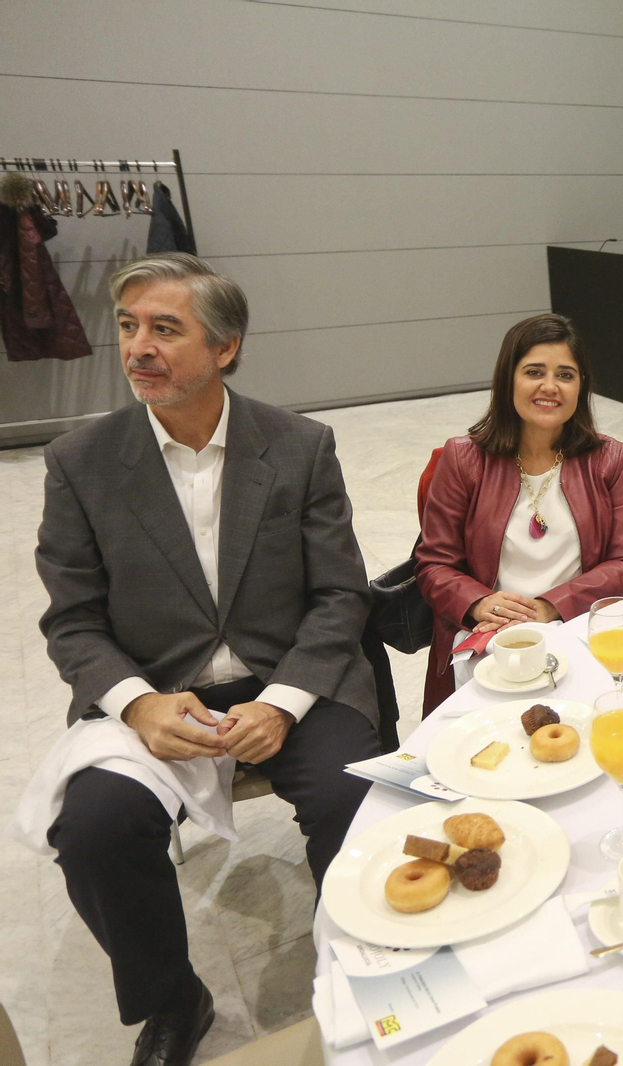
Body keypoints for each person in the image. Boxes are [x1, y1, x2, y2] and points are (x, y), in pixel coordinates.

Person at [27, 253, 382, 1066]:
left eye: (165, 328)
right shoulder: (80, 463)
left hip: (289, 675)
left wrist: (283, 703)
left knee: (356, 796)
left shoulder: (298, 446)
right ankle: (171, 1000)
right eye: (128, 327)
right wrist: (139, 705)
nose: (139, 347)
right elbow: (73, 620)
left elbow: (339, 597)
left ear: (225, 347)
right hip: (157, 690)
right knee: (95, 829)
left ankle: (362, 960)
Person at [416, 313, 623, 714]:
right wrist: (478, 603)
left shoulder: (610, 458)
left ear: (582, 387)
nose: (550, 386)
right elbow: (433, 564)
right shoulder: (462, 458)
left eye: (565, 374)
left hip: (577, 628)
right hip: (490, 636)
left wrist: (550, 606)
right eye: (534, 372)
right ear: (508, 379)